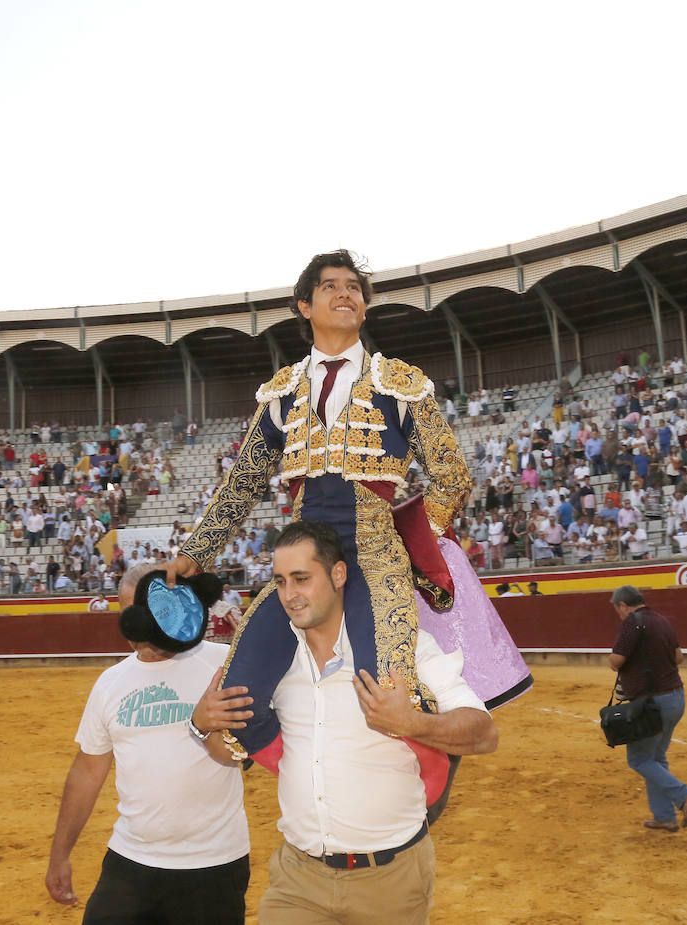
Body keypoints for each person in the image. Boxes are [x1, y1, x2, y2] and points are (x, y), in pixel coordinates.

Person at [167, 251, 474, 772]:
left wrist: (416, 539)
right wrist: (199, 551)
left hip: (376, 560)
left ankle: (423, 792)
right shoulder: (282, 392)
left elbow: (452, 474)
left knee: (391, 698)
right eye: (331, 286)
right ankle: (310, 783)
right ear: (305, 306)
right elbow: (242, 482)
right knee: (236, 694)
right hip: (303, 565)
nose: (345, 293)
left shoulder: (399, 383)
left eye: (354, 287)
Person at [190, 522, 496, 924]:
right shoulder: (272, 665)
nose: (289, 595)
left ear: (338, 575)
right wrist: (202, 724)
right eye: (280, 582)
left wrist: (412, 722)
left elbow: (483, 733)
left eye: (302, 579)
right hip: (298, 879)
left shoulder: (404, 647)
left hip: (390, 881)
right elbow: (230, 755)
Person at [46, 565, 250, 924]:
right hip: (130, 861)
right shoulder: (110, 683)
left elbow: (245, 753)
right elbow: (87, 771)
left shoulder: (225, 663)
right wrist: (59, 853)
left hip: (213, 864)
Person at [607, 585, 687, 832]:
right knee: (655, 758)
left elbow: (616, 660)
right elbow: (678, 657)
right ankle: (664, 817)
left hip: (652, 704)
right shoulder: (662, 620)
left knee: (639, 759)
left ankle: (685, 796)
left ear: (623, 605)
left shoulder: (633, 622)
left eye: (617, 609)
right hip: (675, 698)